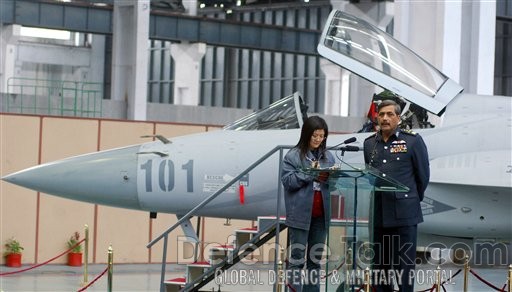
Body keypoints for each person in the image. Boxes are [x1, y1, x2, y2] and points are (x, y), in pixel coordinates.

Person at [363, 99, 430, 292]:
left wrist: (409, 200)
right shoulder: (369, 144)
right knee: (380, 270)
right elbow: (370, 175)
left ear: (398, 118)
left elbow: (422, 177)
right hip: (379, 215)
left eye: (390, 114)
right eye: (381, 114)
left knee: (404, 269)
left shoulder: (412, 141)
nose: (385, 118)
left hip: (405, 216)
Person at [281, 115, 335, 292]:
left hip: (321, 215)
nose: (319, 140)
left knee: (315, 260)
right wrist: (310, 173)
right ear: (306, 135)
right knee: (297, 259)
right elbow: (288, 182)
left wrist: (333, 176)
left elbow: (332, 186)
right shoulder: (293, 156)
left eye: (322, 136)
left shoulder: (329, 157)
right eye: (315, 136)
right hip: (300, 215)